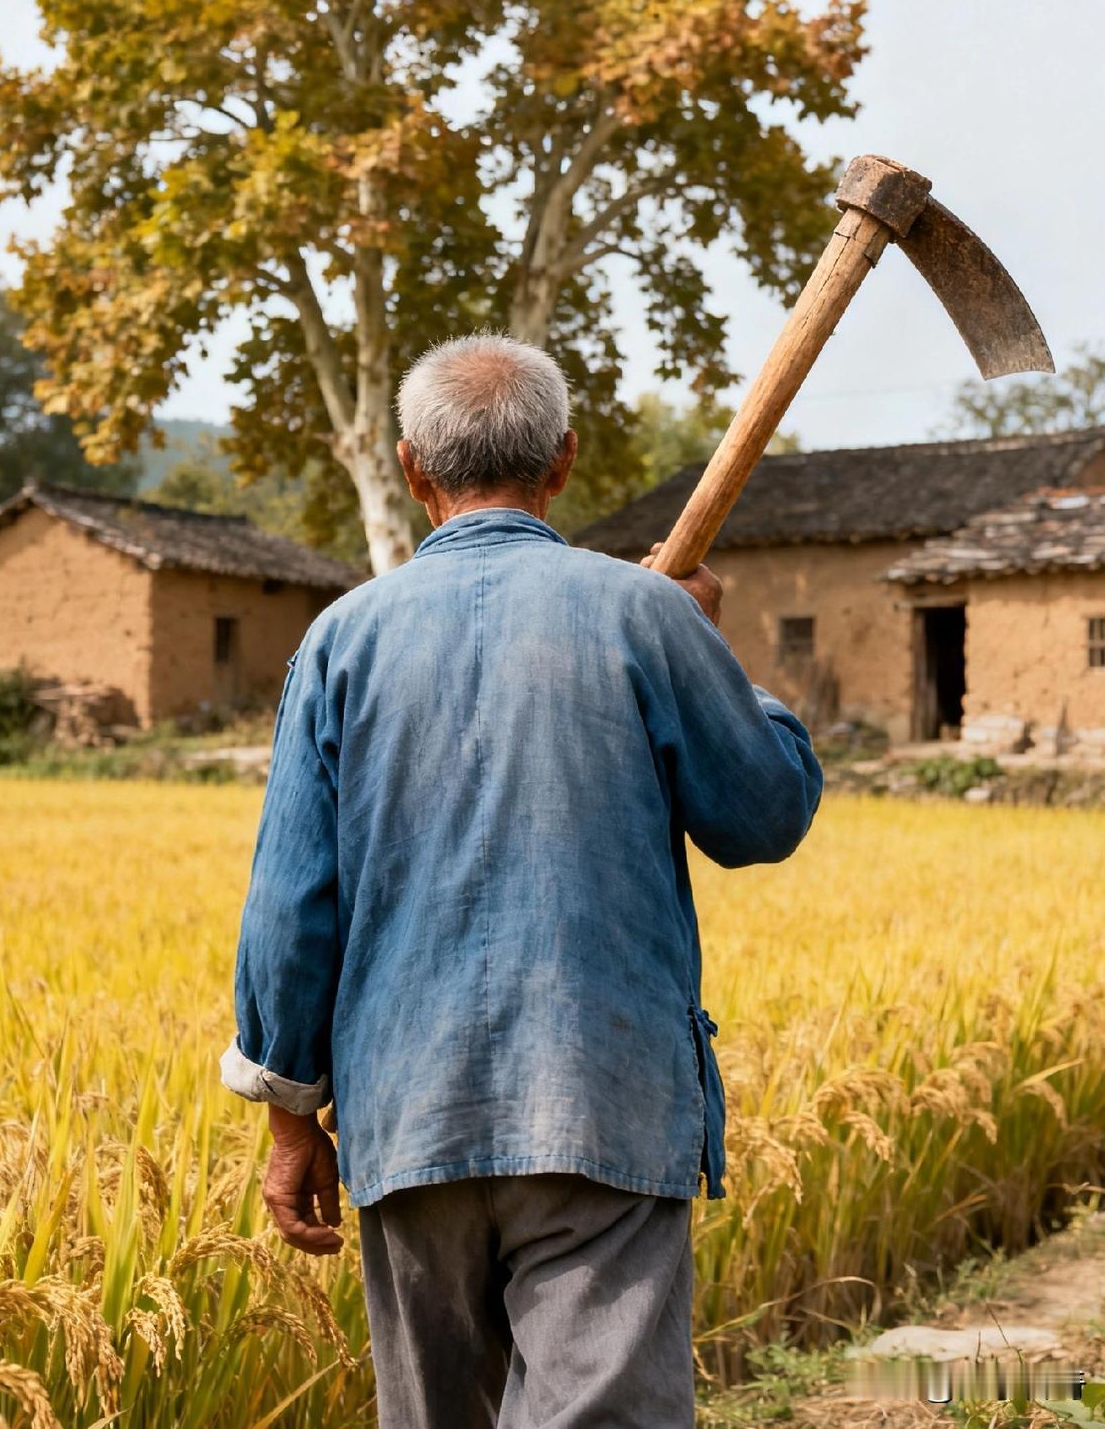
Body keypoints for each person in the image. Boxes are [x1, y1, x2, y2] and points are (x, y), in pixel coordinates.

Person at [221, 333, 823, 1428]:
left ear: (410, 467)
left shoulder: (339, 637)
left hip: (407, 1109)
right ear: (563, 461)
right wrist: (709, 651)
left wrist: (290, 1120)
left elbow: (291, 904)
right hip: (601, 1098)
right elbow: (762, 814)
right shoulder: (644, 615)